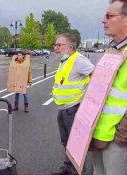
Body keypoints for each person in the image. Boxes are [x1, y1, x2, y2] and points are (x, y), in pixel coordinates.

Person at [91, 0, 127, 174]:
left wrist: (121, 138)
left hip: (117, 141)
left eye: (110, 16)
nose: (103, 20)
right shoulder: (112, 50)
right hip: (99, 133)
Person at [51, 33, 95, 175]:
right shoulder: (65, 60)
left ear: (70, 46)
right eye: (55, 44)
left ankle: (76, 171)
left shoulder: (79, 60)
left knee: (75, 144)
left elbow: (97, 78)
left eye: (59, 45)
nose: (56, 48)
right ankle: (68, 169)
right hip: (63, 107)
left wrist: (87, 99)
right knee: (67, 142)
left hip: (74, 108)